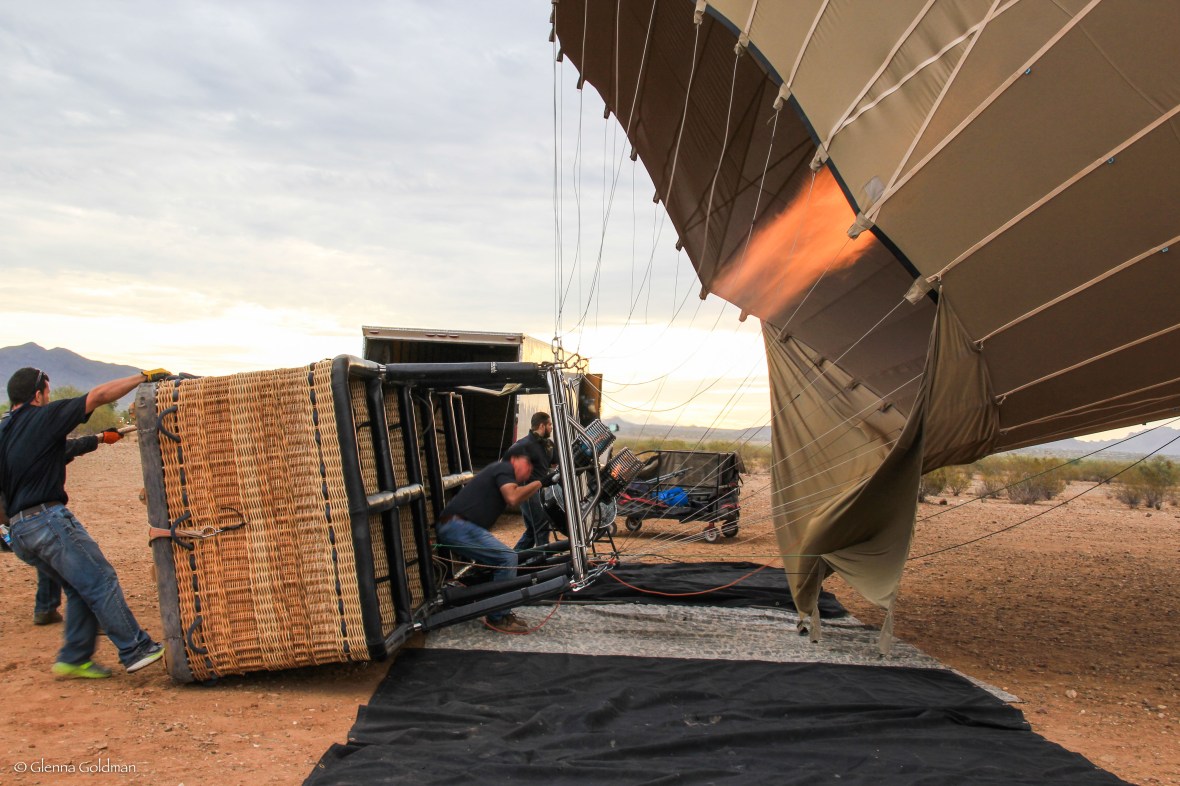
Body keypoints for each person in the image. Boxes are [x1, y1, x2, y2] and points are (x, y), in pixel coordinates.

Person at [0, 366, 171, 679]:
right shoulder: (44, 416)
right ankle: (136, 648)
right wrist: (142, 378)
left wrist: (100, 439)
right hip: (46, 521)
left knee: (80, 587)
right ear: (38, 395)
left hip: (20, 531)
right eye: (48, 392)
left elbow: (62, 450)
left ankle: (74, 658)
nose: (49, 398)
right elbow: (98, 396)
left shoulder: (5, 430)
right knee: (99, 579)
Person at [436, 443, 556, 634]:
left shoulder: (502, 472)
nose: (529, 471)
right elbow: (512, 498)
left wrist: (539, 483)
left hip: (461, 527)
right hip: (457, 527)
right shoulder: (504, 468)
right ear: (515, 460)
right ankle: (497, 617)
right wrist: (541, 482)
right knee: (508, 558)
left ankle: (501, 610)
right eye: (528, 465)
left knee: (502, 560)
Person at [508, 411, 557, 553]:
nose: (551, 427)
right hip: (527, 490)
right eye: (549, 425)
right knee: (542, 525)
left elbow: (555, 463)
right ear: (541, 425)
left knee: (532, 530)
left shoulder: (548, 444)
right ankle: (542, 561)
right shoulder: (524, 444)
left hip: (539, 490)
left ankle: (514, 559)